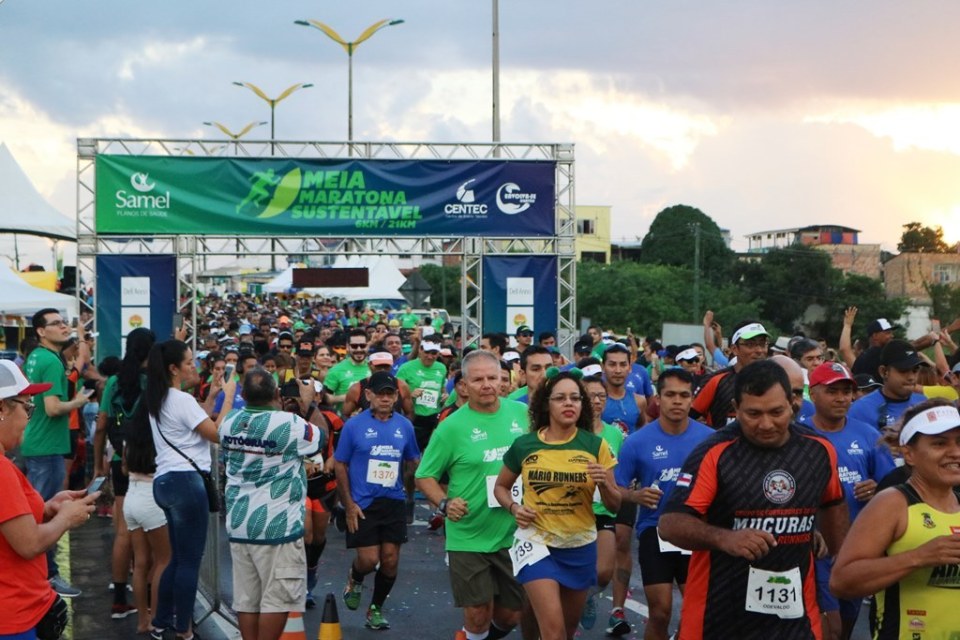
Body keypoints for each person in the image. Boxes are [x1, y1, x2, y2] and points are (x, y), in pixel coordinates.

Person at [659, 360, 849, 639]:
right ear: (736, 408)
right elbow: (670, 524)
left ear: (793, 403)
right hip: (720, 615)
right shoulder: (715, 452)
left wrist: (835, 553)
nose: (766, 424)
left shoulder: (818, 450)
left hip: (794, 618)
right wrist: (725, 539)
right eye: (753, 414)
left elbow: (833, 503)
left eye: (776, 412)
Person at [494, 368, 620, 640]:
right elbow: (500, 487)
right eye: (560, 398)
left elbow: (614, 505)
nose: (568, 404)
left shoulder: (595, 446)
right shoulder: (525, 445)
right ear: (545, 403)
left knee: (566, 630)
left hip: (580, 545)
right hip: (536, 543)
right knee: (553, 632)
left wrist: (604, 484)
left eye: (575, 398)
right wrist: (515, 508)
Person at [415, 350, 530, 640]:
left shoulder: (522, 415)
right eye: (478, 379)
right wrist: (444, 503)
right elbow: (424, 476)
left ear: (504, 381)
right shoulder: (451, 427)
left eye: (493, 377)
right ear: (464, 385)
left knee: (511, 614)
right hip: (468, 533)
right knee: (478, 612)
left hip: (515, 532)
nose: (487, 384)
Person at [830, 398, 960, 639]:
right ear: (909, 454)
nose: (955, 452)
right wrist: (920, 557)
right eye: (940, 443)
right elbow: (841, 581)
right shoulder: (893, 503)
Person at [219, 367, 326, 640]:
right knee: (278, 599)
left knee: (247, 599)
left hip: (241, 524)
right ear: (277, 394)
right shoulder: (288, 424)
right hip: (277, 528)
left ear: (244, 395)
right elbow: (321, 438)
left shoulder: (229, 422)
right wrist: (309, 403)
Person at [0, 359, 99, 638]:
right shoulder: (2, 470)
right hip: (14, 617)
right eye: (27, 407)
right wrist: (65, 518)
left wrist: (47, 509)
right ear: (1, 408)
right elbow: (29, 544)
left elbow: (9, 523)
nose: (28, 418)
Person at [615, 368, 713, 640]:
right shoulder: (637, 442)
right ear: (658, 398)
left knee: (696, 610)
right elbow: (615, 488)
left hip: (695, 532)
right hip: (654, 531)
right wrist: (635, 496)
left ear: (692, 399)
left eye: (684, 395)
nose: (678, 401)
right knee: (660, 611)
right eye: (670, 395)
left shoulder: (709, 439)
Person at [805, 361, 896, 640]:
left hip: (855, 546)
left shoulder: (868, 435)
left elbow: (894, 486)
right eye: (833, 391)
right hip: (814, 548)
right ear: (814, 393)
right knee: (828, 627)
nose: (842, 398)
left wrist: (877, 486)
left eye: (847, 391)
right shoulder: (799, 436)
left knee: (845, 625)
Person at [145, 340, 230, 640]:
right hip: (186, 484)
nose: (194, 366)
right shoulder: (180, 400)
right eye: (189, 361)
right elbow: (218, 432)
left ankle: (161, 621)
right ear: (173, 368)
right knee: (188, 561)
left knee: (177, 558)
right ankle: (183, 628)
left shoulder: (161, 398)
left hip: (166, 482)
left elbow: (193, 423)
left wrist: (212, 397)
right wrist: (229, 398)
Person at [334, 371, 420, 630]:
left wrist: (418, 485)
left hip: (392, 500)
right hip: (363, 503)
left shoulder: (404, 426)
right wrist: (348, 504)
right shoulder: (353, 425)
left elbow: (413, 460)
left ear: (396, 396)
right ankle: (356, 576)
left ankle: (376, 608)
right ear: (368, 395)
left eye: (390, 393)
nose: (385, 398)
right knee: (370, 560)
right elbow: (340, 464)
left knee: (391, 559)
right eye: (379, 393)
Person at [20, 308, 91, 598]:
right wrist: (78, 401)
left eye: (64, 322)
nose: (64, 327)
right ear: (40, 331)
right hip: (47, 446)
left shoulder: (35, 356)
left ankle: (42, 575)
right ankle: (46, 576)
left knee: (36, 510)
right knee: (42, 515)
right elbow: (51, 408)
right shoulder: (49, 360)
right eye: (57, 324)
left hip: (36, 443)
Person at [96, 327, 157, 622]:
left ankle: (120, 600)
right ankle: (148, 599)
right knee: (153, 533)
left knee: (124, 531)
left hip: (120, 461)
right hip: (151, 463)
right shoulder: (154, 382)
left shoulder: (114, 382)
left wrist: (98, 464)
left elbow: (101, 425)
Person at [578, 367, 626, 632]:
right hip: (572, 509)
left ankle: (586, 596)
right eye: (590, 396)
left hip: (603, 508)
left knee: (604, 572)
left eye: (601, 396)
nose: (596, 401)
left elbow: (618, 472)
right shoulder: (569, 431)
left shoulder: (615, 434)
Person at [690, 321, 770, 428]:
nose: (759, 350)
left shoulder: (775, 381)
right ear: (734, 349)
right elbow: (688, 417)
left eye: (762, 344)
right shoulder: (716, 380)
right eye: (750, 344)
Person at [847, 339, 927, 434]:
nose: (911, 377)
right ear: (884, 372)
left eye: (915, 370)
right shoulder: (860, 410)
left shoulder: (924, 405)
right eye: (903, 370)